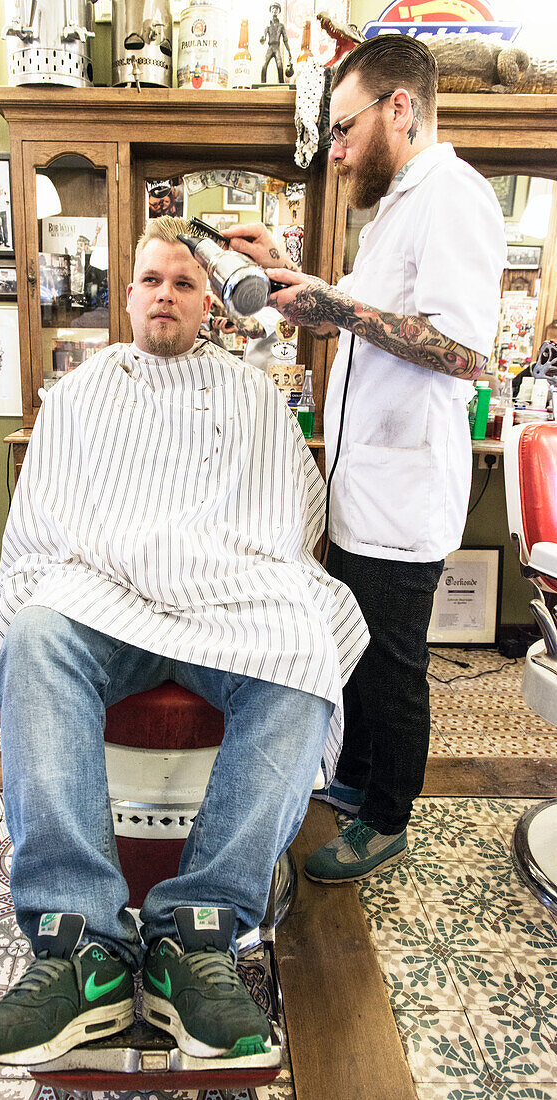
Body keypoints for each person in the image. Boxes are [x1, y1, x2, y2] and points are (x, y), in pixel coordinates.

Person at [0, 215, 368, 1068]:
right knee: (36, 636)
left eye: (185, 283)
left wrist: (222, 564)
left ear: (209, 300)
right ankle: (81, 946)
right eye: (152, 281)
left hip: (231, 598)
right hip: (107, 597)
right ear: (128, 291)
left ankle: (197, 930)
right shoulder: (81, 392)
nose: (166, 296)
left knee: (303, 656)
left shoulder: (253, 395)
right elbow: (44, 527)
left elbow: (286, 520)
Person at [224, 35, 505, 882]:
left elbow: (463, 353)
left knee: (392, 665)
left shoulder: (453, 196)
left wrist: (335, 307)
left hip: (404, 490)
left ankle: (388, 818)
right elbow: (364, 323)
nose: (337, 152)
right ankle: (355, 780)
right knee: (357, 647)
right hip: (365, 485)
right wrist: (290, 278)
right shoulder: (397, 210)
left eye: (343, 131)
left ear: (400, 109)